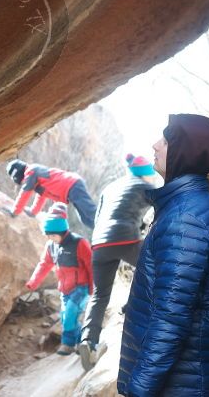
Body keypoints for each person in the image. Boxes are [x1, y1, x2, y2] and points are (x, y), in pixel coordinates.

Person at [118, 114, 209, 397]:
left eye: (167, 140)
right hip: (184, 380)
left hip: (184, 384)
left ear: (186, 154)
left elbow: (171, 319)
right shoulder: (185, 208)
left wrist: (140, 389)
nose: (155, 145)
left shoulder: (185, 221)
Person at [78, 154, 157, 371]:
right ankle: (132, 306)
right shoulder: (145, 186)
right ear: (145, 173)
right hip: (125, 237)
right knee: (155, 267)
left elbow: (97, 218)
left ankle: (88, 341)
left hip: (99, 243)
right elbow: (161, 212)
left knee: (100, 295)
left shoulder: (110, 187)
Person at [26, 203, 94, 355]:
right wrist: (33, 282)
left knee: (70, 314)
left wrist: (92, 288)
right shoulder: (51, 246)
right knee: (65, 318)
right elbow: (44, 264)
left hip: (80, 287)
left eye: (52, 235)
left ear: (61, 231)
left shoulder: (79, 243)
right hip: (64, 289)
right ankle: (82, 343)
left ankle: (67, 345)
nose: (50, 238)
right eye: (48, 235)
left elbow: (91, 265)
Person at [6, 160, 98, 228]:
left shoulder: (31, 171)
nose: (23, 183)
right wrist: (33, 212)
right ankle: (103, 234)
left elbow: (25, 192)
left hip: (72, 184)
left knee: (90, 212)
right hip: (71, 187)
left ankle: (110, 227)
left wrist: (14, 211)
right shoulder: (36, 179)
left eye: (22, 181)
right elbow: (41, 196)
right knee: (85, 219)